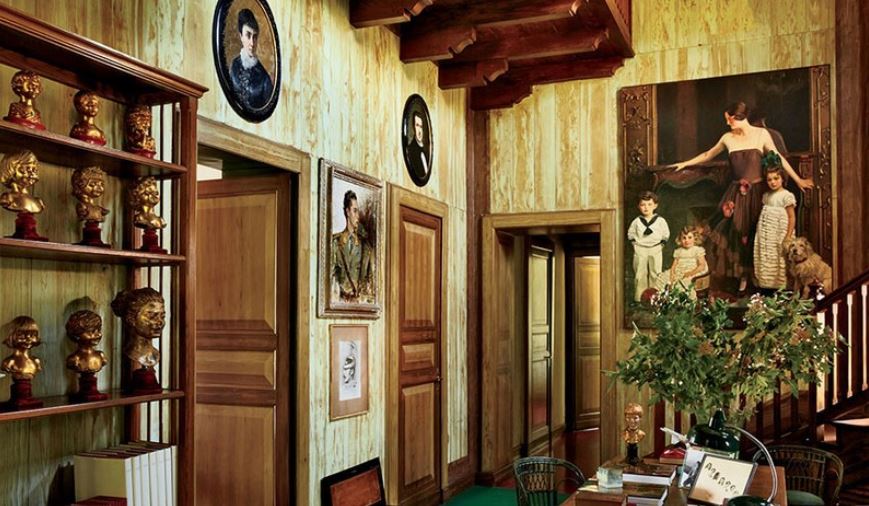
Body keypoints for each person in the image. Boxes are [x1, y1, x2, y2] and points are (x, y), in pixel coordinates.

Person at [672, 102, 813, 294]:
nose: (727, 123)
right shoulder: (727, 138)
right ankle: (743, 277)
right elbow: (707, 154)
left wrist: (798, 180)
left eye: (729, 119)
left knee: (757, 234)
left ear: (738, 117)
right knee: (738, 234)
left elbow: (778, 157)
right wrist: (684, 163)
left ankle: (761, 279)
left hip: (758, 192)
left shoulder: (761, 134)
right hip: (736, 193)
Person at [753, 157, 796, 290]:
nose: (773, 182)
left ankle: (781, 288)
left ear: (782, 178)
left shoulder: (786, 195)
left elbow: (791, 217)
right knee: (767, 257)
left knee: (779, 258)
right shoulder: (766, 196)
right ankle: (768, 287)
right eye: (769, 179)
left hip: (779, 232)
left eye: (776, 178)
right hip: (767, 234)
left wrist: (788, 236)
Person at [331, 190, 374, 302]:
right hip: (340, 302)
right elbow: (331, 277)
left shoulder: (365, 247)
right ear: (347, 212)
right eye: (354, 211)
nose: (357, 216)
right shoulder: (335, 243)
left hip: (359, 303)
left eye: (358, 211)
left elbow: (369, 282)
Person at [627, 191, 670, 302]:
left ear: (655, 205)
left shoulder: (660, 221)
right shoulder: (637, 221)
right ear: (638, 206)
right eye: (643, 205)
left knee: (655, 272)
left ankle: (655, 298)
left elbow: (666, 234)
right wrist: (635, 244)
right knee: (640, 272)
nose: (646, 207)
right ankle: (640, 297)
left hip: (655, 248)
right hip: (640, 248)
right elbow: (631, 233)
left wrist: (661, 244)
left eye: (649, 204)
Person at [229, 8, 273, 110]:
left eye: (255, 37)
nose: (252, 43)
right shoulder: (234, 65)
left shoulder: (264, 77)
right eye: (248, 35)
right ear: (241, 36)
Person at [655, 226, 708, 299]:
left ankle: (683, 300)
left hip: (692, 271)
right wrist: (672, 275)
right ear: (680, 239)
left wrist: (690, 273)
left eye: (689, 237)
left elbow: (702, 266)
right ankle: (663, 299)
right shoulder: (679, 251)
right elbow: (674, 265)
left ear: (695, 238)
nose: (686, 240)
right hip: (679, 270)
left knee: (683, 283)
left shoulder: (697, 250)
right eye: (684, 238)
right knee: (663, 279)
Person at [405, 111, 430, 180]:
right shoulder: (410, 150)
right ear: (413, 127)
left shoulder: (427, 151)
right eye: (417, 125)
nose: (419, 131)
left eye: (421, 127)